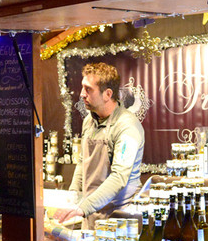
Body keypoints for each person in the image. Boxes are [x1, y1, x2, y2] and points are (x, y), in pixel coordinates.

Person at [57, 62, 144, 229]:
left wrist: (83, 207)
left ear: (107, 94)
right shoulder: (89, 121)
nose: (82, 94)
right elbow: (83, 163)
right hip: (90, 217)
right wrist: (73, 199)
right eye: (83, 87)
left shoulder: (127, 126)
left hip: (119, 219)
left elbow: (119, 177)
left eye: (88, 89)